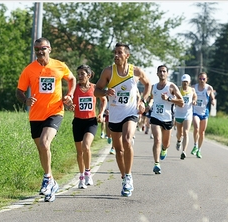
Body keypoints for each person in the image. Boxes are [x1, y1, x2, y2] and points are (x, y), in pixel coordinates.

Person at [16, 37, 76, 202]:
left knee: (44, 143)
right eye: (37, 49)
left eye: (43, 48)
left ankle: (48, 178)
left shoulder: (59, 66)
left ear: (49, 49)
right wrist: (25, 100)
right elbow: (19, 91)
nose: (40, 52)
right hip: (35, 114)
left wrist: (69, 95)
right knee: (41, 149)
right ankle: (51, 180)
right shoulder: (29, 69)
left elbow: (72, 79)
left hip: (55, 111)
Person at [94, 43, 151, 197]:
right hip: (114, 114)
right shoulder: (108, 71)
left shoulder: (136, 71)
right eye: (115, 53)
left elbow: (148, 84)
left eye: (120, 53)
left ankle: (129, 176)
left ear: (127, 55)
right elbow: (96, 91)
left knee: (127, 140)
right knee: (118, 149)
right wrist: (105, 92)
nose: (116, 55)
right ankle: (124, 176)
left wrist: (143, 101)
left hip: (130, 112)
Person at [71, 65, 107, 189]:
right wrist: (69, 105)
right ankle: (81, 177)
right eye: (78, 74)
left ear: (89, 75)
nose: (80, 76)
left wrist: (101, 113)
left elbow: (104, 100)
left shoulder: (95, 88)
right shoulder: (74, 89)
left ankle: (88, 172)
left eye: (82, 74)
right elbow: (68, 101)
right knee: (79, 152)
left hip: (91, 122)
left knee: (86, 146)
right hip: (77, 122)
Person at [148, 65, 184, 174]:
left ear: (167, 73)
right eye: (160, 71)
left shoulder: (171, 87)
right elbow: (150, 99)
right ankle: (156, 164)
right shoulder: (153, 87)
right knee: (157, 140)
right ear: (157, 74)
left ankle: (164, 149)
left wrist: (169, 99)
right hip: (155, 117)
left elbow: (182, 102)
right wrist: (148, 105)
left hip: (168, 118)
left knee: (166, 143)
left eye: (164, 71)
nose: (162, 73)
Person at [191, 72, 216, 158]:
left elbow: (212, 97)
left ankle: (199, 149)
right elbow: (189, 96)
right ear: (198, 79)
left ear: (206, 79)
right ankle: (195, 145)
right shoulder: (194, 87)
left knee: (202, 132)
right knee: (196, 128)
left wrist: (212, 101)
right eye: (200, 79)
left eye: (203, 79)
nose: (202, 80)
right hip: (195, 111)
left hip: (204, 112)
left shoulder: (209, 88)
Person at [174, 74, 197, 160]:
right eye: (184, 81)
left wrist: (194, 101)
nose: (185, 83)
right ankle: (179, 141)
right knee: (180, 133)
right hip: (179, 114)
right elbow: (173, 98)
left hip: (188, 114)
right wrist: (177, 102)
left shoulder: (192, 90)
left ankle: (184, 151)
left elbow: (195, 97)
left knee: (186, 132)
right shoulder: (178, 89)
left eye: (187, 81)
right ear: (181, 81)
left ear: (189, 82)